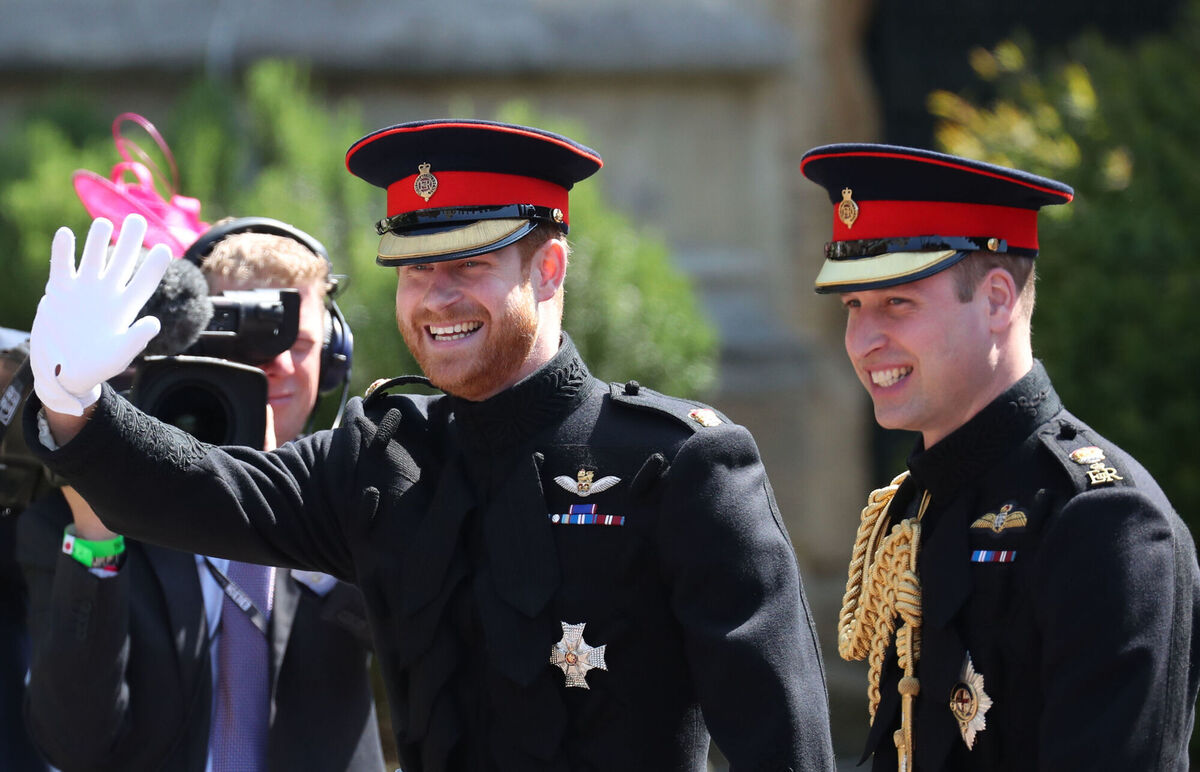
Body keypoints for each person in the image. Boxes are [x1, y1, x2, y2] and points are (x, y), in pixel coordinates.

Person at [21, 119, 836, 770]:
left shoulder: (678, 466)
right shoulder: (384, 459)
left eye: (468, 265)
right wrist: (73, 403)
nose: (434, 297)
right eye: (413, 269)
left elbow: (781, 746)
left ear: (548, 268)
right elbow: (203, 490)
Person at [801, 143, 1200, 770]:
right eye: (854, 307)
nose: (865, 341)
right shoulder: (916, 504)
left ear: (994, 300)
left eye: (896, 303)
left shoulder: (1103, 520)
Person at [16, 219, 384, 772]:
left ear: (334, 360)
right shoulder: (80, 518)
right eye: (246, 340)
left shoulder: (362, 494)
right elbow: (72, 745)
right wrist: (96, 537)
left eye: (298, 342)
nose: (275, 364)